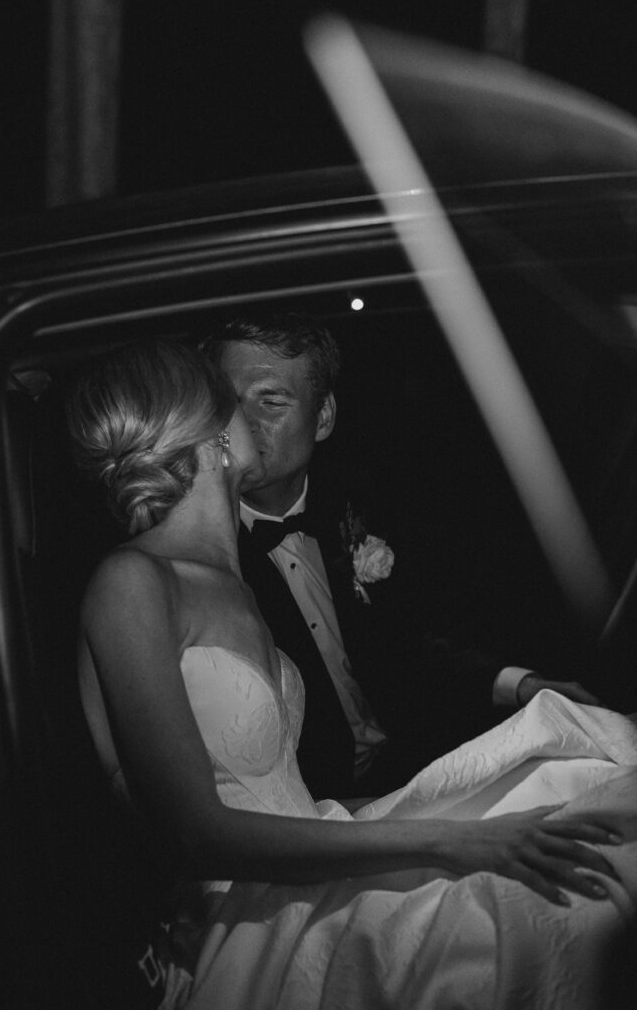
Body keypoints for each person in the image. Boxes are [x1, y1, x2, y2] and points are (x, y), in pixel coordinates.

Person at [67, 337, 637, 1010]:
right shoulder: (132, 581)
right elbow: (193, 834)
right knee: (543, 917)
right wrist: (449, 840)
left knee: (584, 783)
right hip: (248, 917)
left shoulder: (230, 583)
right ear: (211, 434)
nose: (255, 417)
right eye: (236, 402)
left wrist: (460, 795)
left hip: (313, 851)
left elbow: (279, 788)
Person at [203, 313, 603, 798]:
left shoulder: (363, 505)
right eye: (227, 401)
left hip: (416, 764)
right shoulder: (204, 556)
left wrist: (518, 684)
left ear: (323, 417)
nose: (240, 424)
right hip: (313, 805)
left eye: (270, 401)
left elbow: (406, 646)